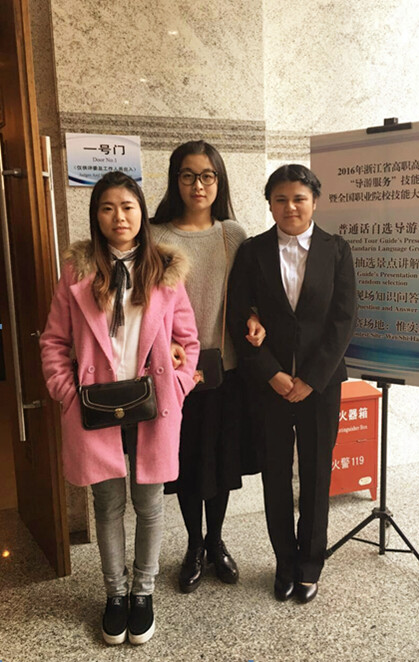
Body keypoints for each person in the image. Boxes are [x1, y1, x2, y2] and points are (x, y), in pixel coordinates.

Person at [40, 171, 199, 645]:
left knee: (149, 504)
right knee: (107, 505)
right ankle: (115, 594)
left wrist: (178, 386)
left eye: (128, 206)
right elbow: (53, 341)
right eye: (107, 208)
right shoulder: (77, 273)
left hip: (153, 405)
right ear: (96, 217)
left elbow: (188, 340)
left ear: (141, 213)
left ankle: (142, 593)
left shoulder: (165, 270)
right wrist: (67, 392)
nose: (119, 217)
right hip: (95, 406)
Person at [228, 164, 357, 604]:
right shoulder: (252, 251)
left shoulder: (337, 250)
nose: (290, 207)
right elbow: (238, 315)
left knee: (317, 475)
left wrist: (312, 379)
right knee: (276, 475)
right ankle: (284, 562)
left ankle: (310, 565)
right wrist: (272, 373)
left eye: (299, 198)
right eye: (280, 199)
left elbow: (343, 320)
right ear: (269, 204)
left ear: (315, 202)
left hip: (321, 386)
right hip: (271, 386)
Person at [150, 140, 264, 594]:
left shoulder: (232, 234)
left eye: (207, 176)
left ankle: (216, 542)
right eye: (188, 175)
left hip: (225, 370)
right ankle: (193, 546)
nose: (198, 185)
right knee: (187, 464)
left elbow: (251, 293)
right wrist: (166, 347)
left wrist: (254, 317)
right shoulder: (155, 235)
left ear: (219, 181)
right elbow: (144, 304)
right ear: (175, 180)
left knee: (221, 461)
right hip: (175, 373)